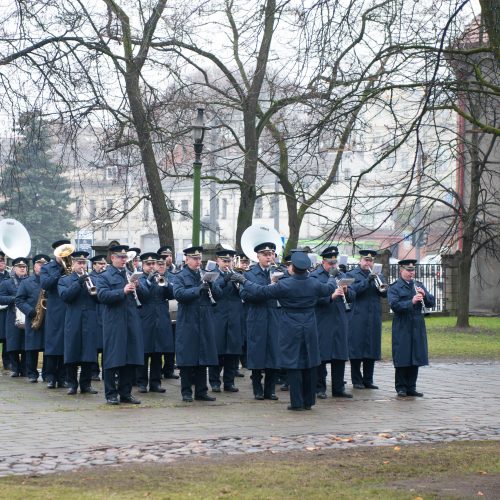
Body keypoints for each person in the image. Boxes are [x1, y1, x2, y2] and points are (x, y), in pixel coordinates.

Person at [231, 252, 338, 411]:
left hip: (290, 326)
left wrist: (244, 281)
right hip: (309, 326)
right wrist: (331, 275)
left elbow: (260, 291)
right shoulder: (313, 283)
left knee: (293, 363)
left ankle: (296, 402)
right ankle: (309, 401)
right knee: (310, 362)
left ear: (293, 268)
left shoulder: (285, 284)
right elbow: (329, 288)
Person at [96, 244, 145, 405]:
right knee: (113, 358)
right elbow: (102, 296)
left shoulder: (130, 274)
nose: (124, 260)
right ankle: (111, 394)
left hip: (131, 320)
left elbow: (145, 296)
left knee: (130, 358)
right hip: (114, 321)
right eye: (120, 257)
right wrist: (122, 291)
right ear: (112, 258)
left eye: (125, 257)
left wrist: (139, 286)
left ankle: (126, 393)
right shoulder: (104, 276)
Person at [172, 246, 221, 403]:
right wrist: (198, 289)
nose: (198, 261)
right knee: (187, 357)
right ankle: (186, 391)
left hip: (204, 319)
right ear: (187, 260)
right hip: (188, 320)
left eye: (199, 258)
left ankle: (201, 391)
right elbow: (179, 294)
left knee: (203, 355)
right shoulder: (180, 276)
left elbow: (219, 295)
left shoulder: (204, 274)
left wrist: (212, 285)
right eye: (194, 259)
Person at [310, 246, 355, 399]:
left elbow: (353, 296)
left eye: (335, 263)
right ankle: (319, 388)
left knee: (340, 354)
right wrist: (331, 296)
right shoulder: (315, 276)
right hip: (323, 319)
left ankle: (338, 388)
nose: (333, 266)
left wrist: (347, 291)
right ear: (323, 261)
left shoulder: (341, 275)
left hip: (340, 319)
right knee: (322, 355)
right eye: (330, 263)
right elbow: (313, 298)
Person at [387, 259, 435, 397]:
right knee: (402, 354)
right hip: (402, 323)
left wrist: (424, 295)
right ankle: (401, 387)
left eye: (412, 270)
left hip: (417, 323)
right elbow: (394, 305)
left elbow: (431, 302)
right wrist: (411, 301)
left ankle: (411, 386)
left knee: (415, 354)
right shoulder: (395, 287)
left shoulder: (418, 284)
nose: (411, 273)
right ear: (401, 270)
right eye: (408, 270)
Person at [239, 242, 281, 401]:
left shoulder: (278, 272)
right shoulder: (249, 274)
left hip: (274, 316)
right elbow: (245, 295)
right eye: (265, 254)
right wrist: (267, 290)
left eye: (271, 254)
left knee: (273, 352)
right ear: (258, 256)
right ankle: (257, 388)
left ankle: (270, 390)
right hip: (256, 316)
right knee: (257, 353)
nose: (269, 257)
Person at [58, 251, 99, 395]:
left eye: (84, 263)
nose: (82, 265)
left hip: (90, 319)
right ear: (73, 264)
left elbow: (99, 299)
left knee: (88, 352)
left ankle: (86, 384)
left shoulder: (93, 279)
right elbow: (65, 297)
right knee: (72, 352)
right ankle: (72, 384)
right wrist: (78, 283)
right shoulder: (65, 280)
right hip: (73, 319)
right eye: (79, 263)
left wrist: (93, 288)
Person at [346, 250, 387, 390]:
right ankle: (356, 380)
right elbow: (352, 291)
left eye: (370, 261)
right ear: (360, 260)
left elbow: (384, 293)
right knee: (356, 348)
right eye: (365, 260)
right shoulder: (351, 274)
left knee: (372, 348)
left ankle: (368, 380)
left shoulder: (379, 275)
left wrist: (381, 285)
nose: (368, 263)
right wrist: (367, 280)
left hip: (373, 316)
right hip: (358, 316)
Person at [136, 252, 174, 393]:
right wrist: (148, 281)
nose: (152, 266)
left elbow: (172, 294)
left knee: (158, 351)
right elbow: (143, 296)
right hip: (145, 318)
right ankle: (141, 382)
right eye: (148, 264)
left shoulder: (161, 278)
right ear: (143, 265)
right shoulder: (138, 279)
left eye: (154, 264)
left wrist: (165, 283)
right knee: (144, 351)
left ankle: (155, 383)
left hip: (160, 318)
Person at [209, 249, 243, 393]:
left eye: (229, 261)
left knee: (232, 352)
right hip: (218, 317)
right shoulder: (213, 275)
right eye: (224, 261)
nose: (227, 264)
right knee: (217, 351)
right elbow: (215, 292)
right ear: (218, 261)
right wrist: (225, 279)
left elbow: (244, 294)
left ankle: (229, 382)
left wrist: (239, 284)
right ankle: (215, 382)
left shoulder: (237, 274)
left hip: (234, 318)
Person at [40, 239, 72, 389]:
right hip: (54, 310)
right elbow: (45, 285)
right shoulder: (48, 268)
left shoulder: (72, 266)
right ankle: (51, 377)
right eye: (62, 252)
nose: (65, 256)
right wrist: (60, 271)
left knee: (66, 343)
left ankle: (64, 377)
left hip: (68, 308)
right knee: (53, 345)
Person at [15, 254, 51, 382]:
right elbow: (19, 300)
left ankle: (48, 374)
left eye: (45, 264)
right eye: (39, 264)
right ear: (34, 266)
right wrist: (30, 311)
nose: (42, 267)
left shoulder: (51, 281)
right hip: (33, 318)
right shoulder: (26, 282)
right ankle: (32, 374)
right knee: (32, 347)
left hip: (49, 319)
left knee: (49, 348)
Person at [0, 257, 29, 377]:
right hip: (12, 315)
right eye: (20, 267)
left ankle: (25, 368)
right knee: (13, 342)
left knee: (26, 343)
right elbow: (1, 297)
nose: (22, 269)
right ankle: (15, 368)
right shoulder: (6, 283)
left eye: (24, 267)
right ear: (14, 268)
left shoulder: (30, 281)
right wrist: (14, 299)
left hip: (27, 315)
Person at [157, 246, 178, 380]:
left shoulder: (174, 273)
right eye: (165, 255)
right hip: (161, 310)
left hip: (173, 309)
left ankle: (169, 369)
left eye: (169, 255)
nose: (168, 258)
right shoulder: (155, 273)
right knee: (159, 340)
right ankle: (157, 370)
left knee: (172, 339)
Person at [89, 255, 107, 381]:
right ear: (94, 265)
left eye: (104, 264)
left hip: (105, 311)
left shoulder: (107, 276)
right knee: (94, 343)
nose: (102, 266)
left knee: (106, 343)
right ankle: (94, 371)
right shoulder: (89, 277)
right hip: (95, 312)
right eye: (99, 264)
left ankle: (107, 371)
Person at [0, 251, 11, 370]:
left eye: (2, 260)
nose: (1, 263)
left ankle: (7, 362)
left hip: (6, 311)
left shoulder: (9, 276)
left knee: (7, 337)